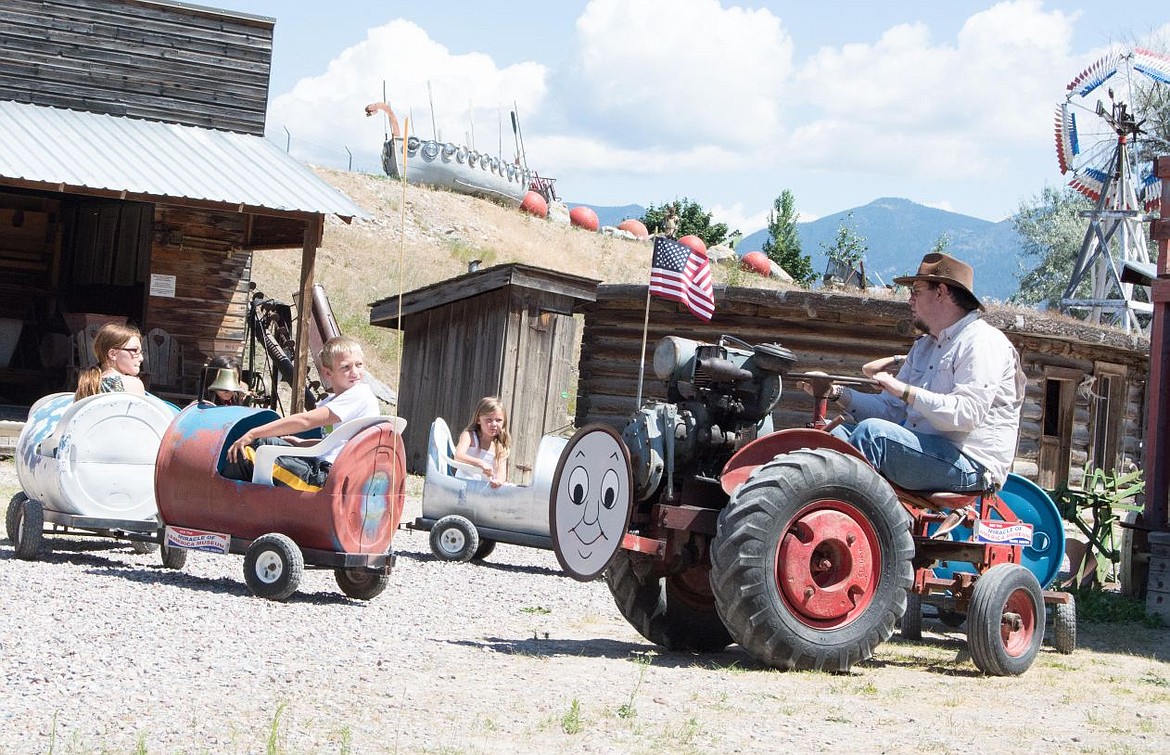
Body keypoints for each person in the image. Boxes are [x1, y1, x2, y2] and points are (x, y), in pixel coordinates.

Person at [802, 252, 1025, 493]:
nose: (909, 301)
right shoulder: (925, 346)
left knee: (873, 435)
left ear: (941, 292)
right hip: (927, 453)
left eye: (916, 292)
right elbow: (890, 409)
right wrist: (835, 391)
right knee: (835, 435)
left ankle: (845, 514)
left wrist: (905, 391)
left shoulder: (982, 341)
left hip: (971, 463)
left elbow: (967, 414)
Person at [223, 335, 380, 490]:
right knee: (264, 444)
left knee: (255, 448)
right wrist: (301, 444)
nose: (355, 372)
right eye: (346, 367)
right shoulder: (335, 402)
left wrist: (253, 433)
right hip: (323, 469)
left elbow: (305, 421)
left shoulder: (359, 395)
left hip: (328, 477)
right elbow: (336, 444)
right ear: (328, 373)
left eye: (359, 365)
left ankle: (223, 497)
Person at [74, 322, 147, 400]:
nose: (141, 358)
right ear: (113, 354)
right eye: (135, 350)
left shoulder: (84, 386)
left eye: (140, 352)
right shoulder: (133, 385)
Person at [454, 396, 511, 488]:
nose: (494, 424)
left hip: (484, 489)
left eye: (498, 420)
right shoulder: (470, 436)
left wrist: (498, 481)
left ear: (504, 422)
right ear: (478, 420)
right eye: (489, 420)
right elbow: (458, 456)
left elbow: (501, 474)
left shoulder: (499, 446)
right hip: (464, 484)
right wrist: (480, 463)